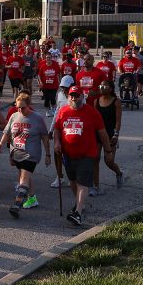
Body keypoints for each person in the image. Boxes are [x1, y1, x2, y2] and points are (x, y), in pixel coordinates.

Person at [52, 86, 115, 226]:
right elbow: (57, 129)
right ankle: (80, 204)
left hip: (87, 155)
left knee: (82, 183)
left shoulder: (92, 113)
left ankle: (78, 213)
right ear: (68, 97)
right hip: (68, 155)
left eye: (77, 95)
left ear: (82, 97)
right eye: (71, 96)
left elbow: (103, 134)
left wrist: (108, 151)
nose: (74, 98)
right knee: (73, 182)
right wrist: (57, 142)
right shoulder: (63, 111)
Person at [0, 92, 51, 217]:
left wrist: (48, 154)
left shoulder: (37, 118)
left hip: (31, 154)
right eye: (18, 107)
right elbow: (7, 132)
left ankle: (17, 204)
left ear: (29, 105)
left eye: (23, 107)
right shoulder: (14, 116)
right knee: (23, 177)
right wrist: (1, 143)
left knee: (24, 178)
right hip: (17, 152)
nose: (20, 110)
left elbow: (44, 137)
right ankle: (32, 198)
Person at [90, 81, 127, 193]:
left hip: (110, 134)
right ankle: (96, 187)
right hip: (98, 133)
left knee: (109, 161)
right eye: (100, 85)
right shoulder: (96, 101)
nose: (101, 87)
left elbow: (118, 121)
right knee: (95, 159)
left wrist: (116, 134)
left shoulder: (116, 102)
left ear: (111, 89)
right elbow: (95, 120)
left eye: (105, 85)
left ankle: (119, 173)